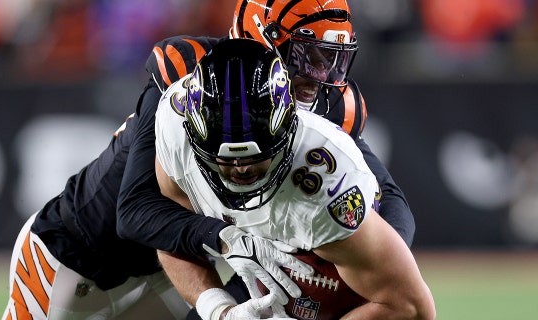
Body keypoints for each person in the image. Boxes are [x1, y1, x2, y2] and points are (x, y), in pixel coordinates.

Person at [153, 38, 435, 320]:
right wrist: (220, 311)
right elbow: (170, 231)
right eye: (225, 159)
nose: (240, 170)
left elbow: (411, 307)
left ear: (288, 129)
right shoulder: (174, 129)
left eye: (254, 158)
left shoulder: (327, 184)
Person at [133, 0, 416, 246]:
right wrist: (229, 243)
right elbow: (135, 209)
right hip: (114, 258)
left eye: (331, 58)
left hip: (204, 256)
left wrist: (384, 261)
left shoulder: (335, 105)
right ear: (263, 37)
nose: (320, 76)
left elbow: (389, 197)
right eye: (308, 56)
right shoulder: (189, 75)